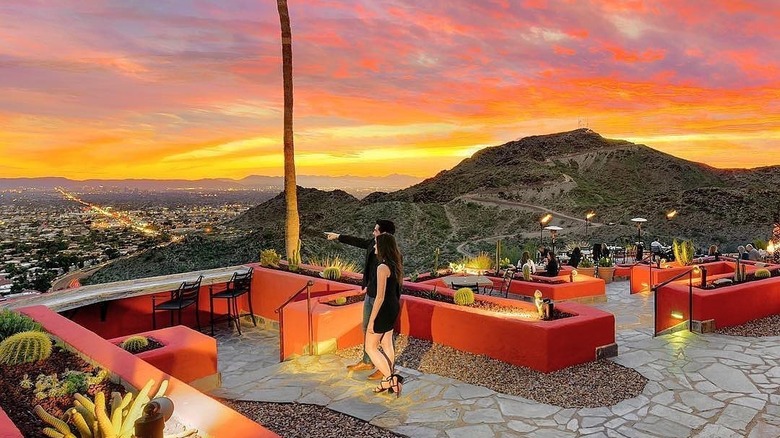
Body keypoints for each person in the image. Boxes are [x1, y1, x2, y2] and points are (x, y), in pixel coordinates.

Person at [325, 219, 396, 380]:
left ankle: (385, 368)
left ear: (384, 233)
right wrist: (338, 236)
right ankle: (368, 361)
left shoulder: (391, 255)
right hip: (371, 294)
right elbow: (359, 242)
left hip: (382, 301)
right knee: (366, 329)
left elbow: (395, 284)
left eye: (376, 230)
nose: (373, 233)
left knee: (385, 338)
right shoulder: (374, 244)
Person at [366, 233, 404, 397]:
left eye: (376, 244)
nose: (374, 247)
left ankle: (390, 379)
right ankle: (388, 380)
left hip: (383, 308)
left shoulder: (382, 267)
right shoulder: (395, 264)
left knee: (371, 347)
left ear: (382, 247)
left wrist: (371, 321)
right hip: (393, 306)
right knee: (387, 343)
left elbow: (379, 297)